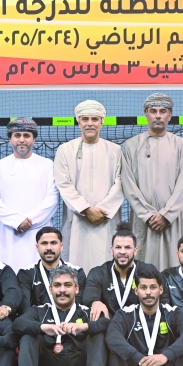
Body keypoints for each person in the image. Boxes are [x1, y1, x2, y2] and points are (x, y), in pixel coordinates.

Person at [12, 265, 109, 366]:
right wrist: (42, 327)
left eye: (67, 285)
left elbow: (107, 324)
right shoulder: (39, 311)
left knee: (98, 334)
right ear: (50, 289)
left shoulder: (86, 312)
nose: (62, 290)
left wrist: (84, 326)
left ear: (77, 289)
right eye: (57, 285)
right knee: (28, 334)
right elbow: (17, 324)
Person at [121, 92, 183, 269]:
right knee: (143, 267)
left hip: (172, 220)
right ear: (146, 114)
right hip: (143, 220)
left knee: (175, 265)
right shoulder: (131, 145)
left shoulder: (180, 144)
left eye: (163, 111)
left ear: (170, 115)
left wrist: (166, 214)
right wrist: (148, 215)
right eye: (153, 111)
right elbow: (128, 183)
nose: (158, 115)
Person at [54, 100, 125, 271]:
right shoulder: (65, 150)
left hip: (106, 219)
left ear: (102, 121)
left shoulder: (116, 150)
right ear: (78, 121)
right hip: (77, 220)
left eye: (95, 119)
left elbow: (121, 183)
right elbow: (64, 184)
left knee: (108, 265)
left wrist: (102, 210)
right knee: (76, 266)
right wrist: (86, 209)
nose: (90, 123)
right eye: (85, 119)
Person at [0, 117, 59, 269]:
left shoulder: (47, 165)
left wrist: (30, 221)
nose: (21, 140)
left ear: (33, 139)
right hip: (8, 234)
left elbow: (52, 199)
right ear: (10, 139)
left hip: (38, 231)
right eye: (17, 135)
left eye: (26, 135)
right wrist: (16, 221)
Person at [83, 222, 163, 321]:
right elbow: (88, 295)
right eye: (118, 247)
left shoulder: (148, 270)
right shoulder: (98, 272)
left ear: (135, 250)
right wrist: (95, 302)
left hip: (140, 325)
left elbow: (163, 297)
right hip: (109, 326)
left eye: (127, 247)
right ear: (112, 250)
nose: (122, 252)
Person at [16, 227, 87, 313]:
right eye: (44, 243)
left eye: (53, 243)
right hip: (38, 323)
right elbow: (25, 309)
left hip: (69, 323)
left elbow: (78, 306)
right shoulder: (26, 273)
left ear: (61, 246)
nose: (49, 248)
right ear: (37, 247)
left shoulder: (77, 272)